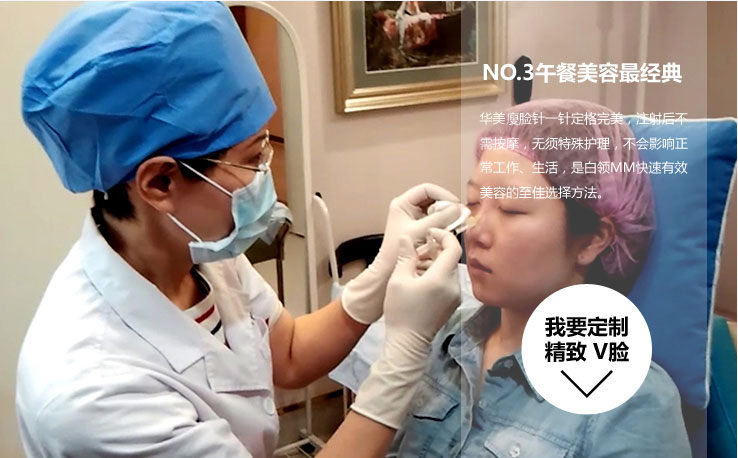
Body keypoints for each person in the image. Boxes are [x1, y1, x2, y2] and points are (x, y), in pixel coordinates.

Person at [15, 3, 465, 457]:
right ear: (160, 183)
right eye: (251, 160)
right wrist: (404, 353)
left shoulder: (197, 248)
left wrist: (381, 273)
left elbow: (288, 354)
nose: (265, 176)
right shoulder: (96, 394)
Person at [387, 99, 693, 457]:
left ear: (593, 239)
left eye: (511, 209)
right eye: (473, 203)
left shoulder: (630, 402)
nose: (475, 232)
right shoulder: (448, 337)